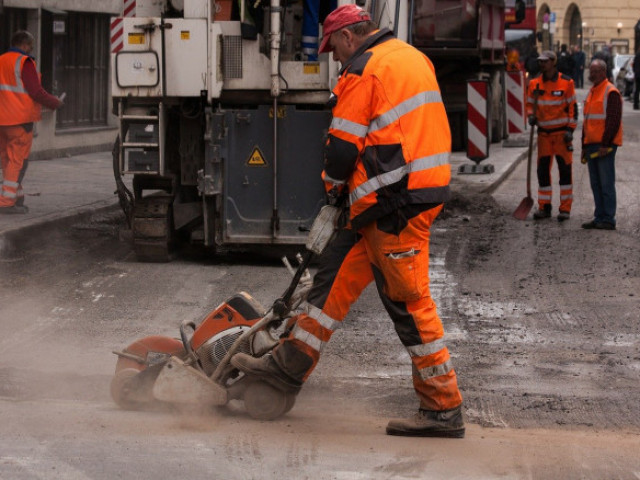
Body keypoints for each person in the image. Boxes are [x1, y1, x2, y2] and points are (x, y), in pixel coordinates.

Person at [232, 4, 464, 438]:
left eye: (333, 47)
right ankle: (285, 371)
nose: (333, 57)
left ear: (348, 37)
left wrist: (333, 191)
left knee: (409, 305)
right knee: (329, 286)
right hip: (390, 200)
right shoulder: (412, 57)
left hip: (395, 205)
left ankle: (443, 408)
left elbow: (341, 150)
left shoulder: (363, 69)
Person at [0, 30, 63, 214]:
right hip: (20, 120)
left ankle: (16, 196)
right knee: (17, 161)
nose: (31, 50)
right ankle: (6, 202)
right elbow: (36, 91)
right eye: (31, 46)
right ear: (25, 44)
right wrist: (55, 102)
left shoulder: (1, 60)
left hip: (2, 121)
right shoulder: (24, 62)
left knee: (7, 159)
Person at [526, 50, 578, 221]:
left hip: (561, 135)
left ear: (553, 63)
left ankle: (565, 209)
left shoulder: (566, 82)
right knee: (542, 172)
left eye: (545, 61)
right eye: (540, 61)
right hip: (544, 136)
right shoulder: (534, 84)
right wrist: (530, 116)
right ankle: (544, 207)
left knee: (564, 171)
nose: (542, 64)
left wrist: (570, 129)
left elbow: (573, 108)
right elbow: (529, 104)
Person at [580, 59, 623, 230]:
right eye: (591, 70)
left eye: (596, 71)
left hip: (604, 145)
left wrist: (605, 144)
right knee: (596, 183)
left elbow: (613, 120)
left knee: (606, 183)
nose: (592, 74)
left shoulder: (610, 91)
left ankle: (608, 219)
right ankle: (599, 216)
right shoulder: (592, 92)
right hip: (591, 144)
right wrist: (583, 146)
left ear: (604, 72)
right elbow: (587, 121)